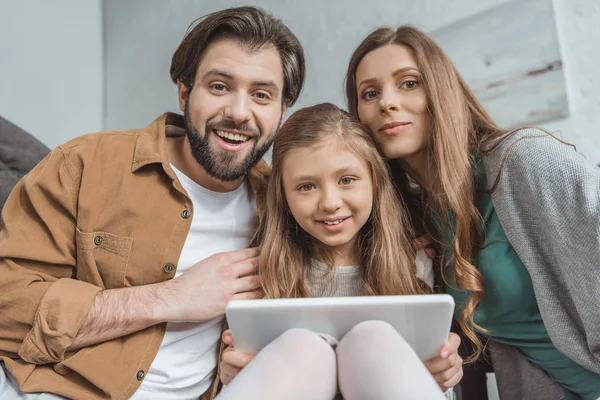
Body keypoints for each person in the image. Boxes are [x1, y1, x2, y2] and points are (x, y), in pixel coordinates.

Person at [0, 6, 304, 400]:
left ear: (282, 111)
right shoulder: (84, 165)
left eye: (261, 95)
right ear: (184, 91)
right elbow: (7, 305)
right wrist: (170, 298)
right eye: (218, 86)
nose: (238, 112)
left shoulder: (286, 206)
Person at [344, 25, 600, 399]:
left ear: (441, 90)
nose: (387, 102)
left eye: (409, 83)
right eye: (370, 93)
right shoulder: (418, 216)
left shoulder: (524, 160)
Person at [216, 103, 463, 400]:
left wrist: (445, 371)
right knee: (301, 348)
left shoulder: (416, 259)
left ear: (375, 180)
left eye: (346, 180)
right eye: (306, 187)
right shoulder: (259, 274)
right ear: (283, 197)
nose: (330, 202)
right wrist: (233, 374)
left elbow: (431, 376)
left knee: (372, 340)